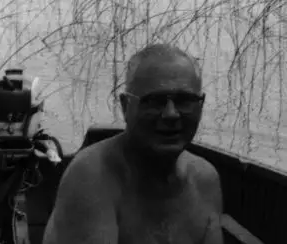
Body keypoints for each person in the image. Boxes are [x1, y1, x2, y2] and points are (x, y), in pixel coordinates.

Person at [43, 43, 223, 244]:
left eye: (184, 100)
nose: (171, 114)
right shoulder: (90, 176)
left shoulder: (205, 180)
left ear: (201, 104)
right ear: (125, 106)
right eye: (154, 101)